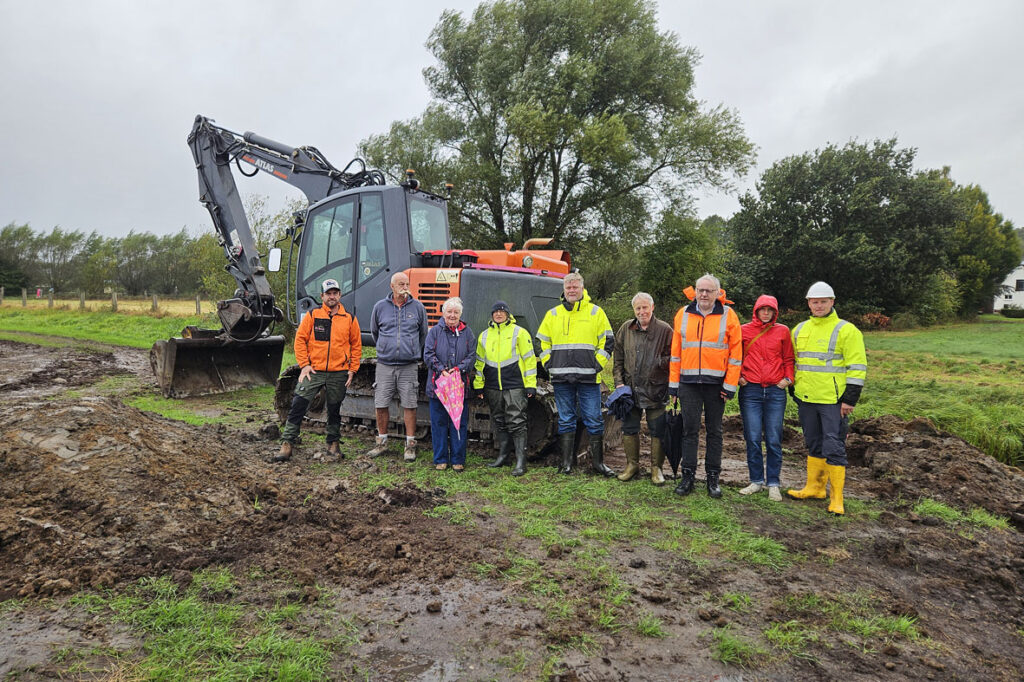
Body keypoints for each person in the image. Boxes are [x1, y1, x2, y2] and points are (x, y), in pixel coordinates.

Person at [787, 282, 866, 515]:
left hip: (833, 400)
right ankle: (815, 488)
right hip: (806, 398)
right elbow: (793, 361)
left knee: (833, 445)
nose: (819, 305)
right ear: (808, 303)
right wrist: (794, 390)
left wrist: (850, 399)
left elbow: (857, 367)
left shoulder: (847, 330)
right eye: (815, 302)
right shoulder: (799, 329)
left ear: (832, 302)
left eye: (823, 301)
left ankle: (837, 498)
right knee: (813, 442)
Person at [668, 274, 743, 498]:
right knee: (689, 431)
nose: (703, 294)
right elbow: (675, 353)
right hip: (688, 384)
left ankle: (713, 477)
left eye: (708, 291)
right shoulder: (683, 314)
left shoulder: (729, 315)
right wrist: (674, 386)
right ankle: (688, 476)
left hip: (716, 385)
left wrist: (729, 386)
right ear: (696, 291)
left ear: (717, 293)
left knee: (715, 432)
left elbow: (736, 355)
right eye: (700, 290)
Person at [536, 272, 615, 476]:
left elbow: (608, 340)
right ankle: (566, 463)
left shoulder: (596, 312)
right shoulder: (553, 314)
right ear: (564, 290)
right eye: (568, 287)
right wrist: (549, 363)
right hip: (561, 377)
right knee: (565, 420)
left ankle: (598, 464)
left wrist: (597, 364)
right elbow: (541, 341)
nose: (571, 290)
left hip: (589, 377)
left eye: (575, 287)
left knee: (594, 418)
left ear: (582, 288)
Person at [275, 278, 361, 462]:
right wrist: (304, 364)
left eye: (335, 293)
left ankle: (333, 444)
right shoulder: (313, 315)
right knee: (299, 403)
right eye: (328, 294)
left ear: (339, 295)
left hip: (338, 372)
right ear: (322, 296)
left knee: (334, 409)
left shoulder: (349, 319)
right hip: (314, 370)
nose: (332, 296)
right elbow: (300, 340)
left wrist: (352, 369)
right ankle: (287, 443)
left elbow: (356, 345)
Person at [737, 295, 795, 501]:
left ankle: (773, 483)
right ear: (756, 310)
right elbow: (735, 356)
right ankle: (756, 481)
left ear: (775, 312)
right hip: (750, 390)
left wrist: (788, 379)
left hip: (775, 391)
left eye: (770, 310)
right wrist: (739, 377)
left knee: (773, 438)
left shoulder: (783, 331)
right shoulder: (743, 330)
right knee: (752, 437)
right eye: (762, 309)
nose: (766, 313)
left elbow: (788, 358)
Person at [367, 272, 429, 461]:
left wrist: (410, 351)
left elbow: (423, 334)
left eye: (407, 283)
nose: (405, 287)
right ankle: (382, 442)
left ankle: (410, 445)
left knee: (410, 404)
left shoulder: (418, 307)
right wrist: (387, 348)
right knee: (381, 404)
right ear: (392, 286)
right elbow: (375, 332)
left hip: (408, 366)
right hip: (384, 365)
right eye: (401, 284)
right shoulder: (380, 307)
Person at [613, 292, 673, 485]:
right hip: (630, 390)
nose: (642, 311)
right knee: (629, 428)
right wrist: (619, 382)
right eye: (638, 308)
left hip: (656, 390)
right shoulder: (626, 328)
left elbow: (675, 358)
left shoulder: (665, 329)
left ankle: (657, 468)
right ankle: (632, 465)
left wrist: (659, 363)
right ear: (634, 310)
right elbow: (618, 358)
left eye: (645, 307)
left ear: (652, 307)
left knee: (658, 430)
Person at [474, 300, 537, 476]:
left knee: (517, 421)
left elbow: (529, 360)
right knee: (499, 421)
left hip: (514, 384)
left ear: (508, 314)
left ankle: (521, 462)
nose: (499, 314)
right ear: (492, 315)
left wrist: (530, 385)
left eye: (502, 311)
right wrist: (478, 385)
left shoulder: (519, 333)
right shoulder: (484, 335)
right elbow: (479, 363)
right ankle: (503, 457)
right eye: (496, 312)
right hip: (493, 385)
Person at [423, 297, 476, 471]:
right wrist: (441, 369)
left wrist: (459, 369)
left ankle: (458, 459)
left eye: (456, 312)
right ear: (443, 313)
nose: (452, 315)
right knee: (438, 424)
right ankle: (440, 459)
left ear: (460, 314)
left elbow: (472, 356)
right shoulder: (434, 332)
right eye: (449, 312)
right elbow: (428, 354)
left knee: (458, 424)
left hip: (459, 388)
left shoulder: (468, 333)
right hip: (438, 387)